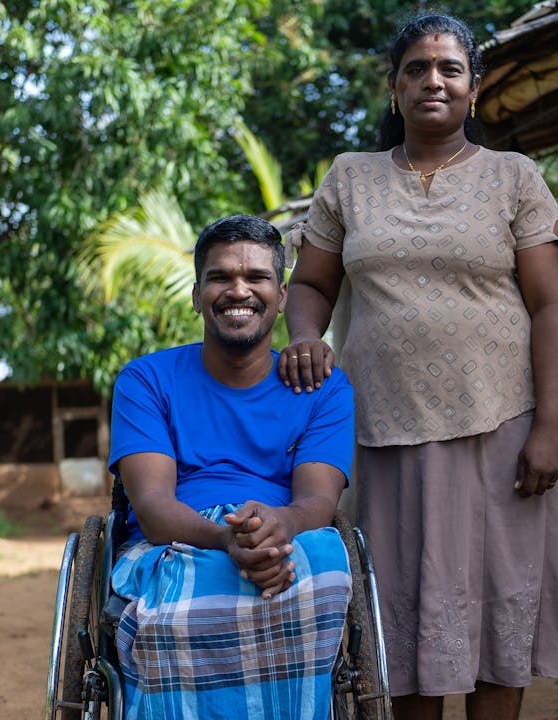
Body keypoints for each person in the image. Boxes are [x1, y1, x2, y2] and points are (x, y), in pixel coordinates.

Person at [278, 13, 558, 720]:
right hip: (384, 434)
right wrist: (304, 335)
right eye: (416, 69)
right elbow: (311, 284)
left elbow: (551, 305)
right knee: (400, 628)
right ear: (394, 88)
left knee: (497, 620)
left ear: (475, 88)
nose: (433, 81)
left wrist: (551, 424)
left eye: (450, 68)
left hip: (500, 430)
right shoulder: (350, 178)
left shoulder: (514, 177)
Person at [107, 214, 356, 720]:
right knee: (179, 600)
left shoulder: (324, 389)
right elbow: (151, 505)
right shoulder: (146, 380)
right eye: (219, 277)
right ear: (197, 295)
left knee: (326, 572)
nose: (238, 290)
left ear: (281, 296)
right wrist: (227, 539)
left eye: (256, 277)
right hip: (174, 541)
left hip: (286, 535)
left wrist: (277, 525)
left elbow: (317, 501)